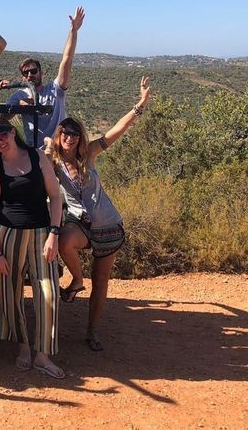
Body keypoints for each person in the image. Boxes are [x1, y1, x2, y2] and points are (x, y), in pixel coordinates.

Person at [51, 77, 151, 352]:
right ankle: (77, 279)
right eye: (65, 133)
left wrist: (140, 105)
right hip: (81, 223)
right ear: (59, 136)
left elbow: (117, 130)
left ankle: (92, 332)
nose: (69, 137)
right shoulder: (54, 161)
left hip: (107, 224)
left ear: (79, 137)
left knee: (102, 281)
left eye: (74, 133)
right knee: (64, 243)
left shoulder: (90, 154)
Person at [0, 117, 64, 379]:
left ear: (12, 131)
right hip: (9, 235)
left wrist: (54, 233)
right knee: (10, 293)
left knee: (49, 293)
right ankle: (23, 346)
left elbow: (55, 196)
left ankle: (43, 354)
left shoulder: (37, 156)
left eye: (2, 133)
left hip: (42, 233)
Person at [4, 6, 85, 147]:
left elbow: (66, 60)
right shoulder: (19, 95)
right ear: (22, 77)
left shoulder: (55, 90)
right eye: (25, 73)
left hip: (58, 151)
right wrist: (18, 107)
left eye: (34, 71)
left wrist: (73, 31)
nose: (30, 75)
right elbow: (3, 119)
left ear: (40, 73)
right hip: (34, 152)